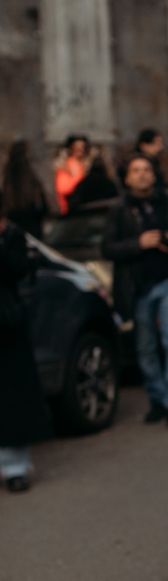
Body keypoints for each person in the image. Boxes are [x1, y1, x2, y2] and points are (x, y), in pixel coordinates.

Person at [101, 155, 168, 426]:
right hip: (138, 288)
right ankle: (157, 399)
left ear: (153, 174)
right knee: (145, 347)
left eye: (146, 169)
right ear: (127, 178)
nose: (142, 174)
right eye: (136, 170)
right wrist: (138, 243)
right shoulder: (119, 209)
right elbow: (107, 248)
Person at [0, 197, 53, 491]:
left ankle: (15, 467)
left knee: (12, 395)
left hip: (7, 325)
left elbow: (18, 270)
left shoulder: (11, 235)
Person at [1, 140, 49, 239]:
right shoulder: (33, 183)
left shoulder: (7, 183)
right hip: (32, 233)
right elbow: (44, 209)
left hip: (14, 235)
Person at [54, 134, 90, 214]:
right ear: (71, 148)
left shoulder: (83, 165)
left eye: (82, 147)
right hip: (71, 209)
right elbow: (63, 188)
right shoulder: (68, 165)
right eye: (76, 147)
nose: (80, 149)